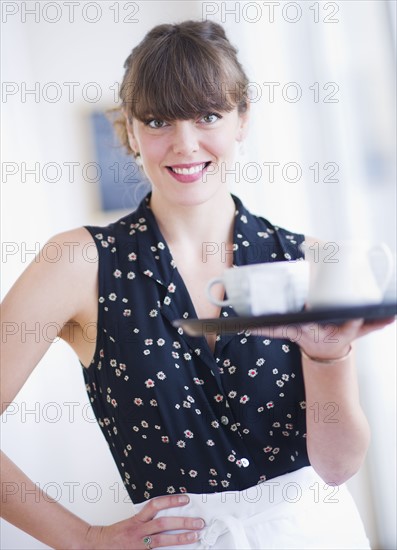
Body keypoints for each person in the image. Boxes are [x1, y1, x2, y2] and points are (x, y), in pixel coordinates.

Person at [1, 19, 394, 550]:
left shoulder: (308, 260)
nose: (185, 145)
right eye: (159, 120)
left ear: (242, 119)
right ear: (131, 130)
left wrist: (330, 357)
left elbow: (338, 468)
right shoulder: (77, 261)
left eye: (209, 115)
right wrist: (83, 538)